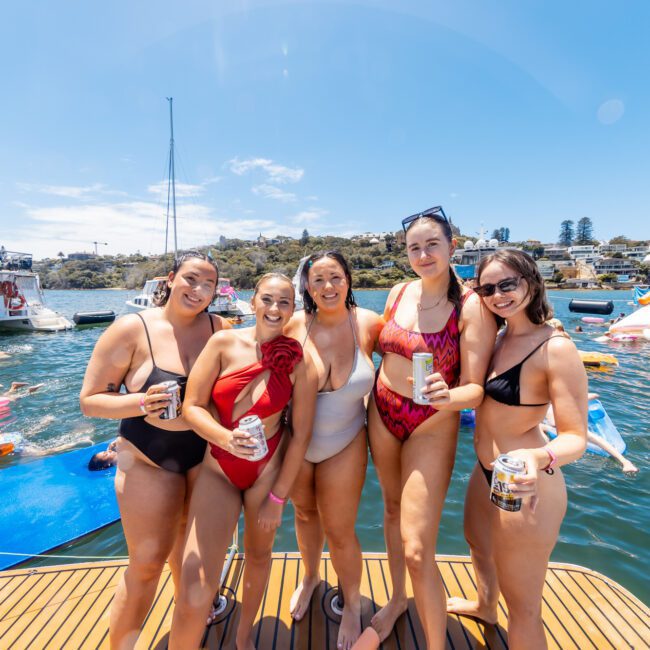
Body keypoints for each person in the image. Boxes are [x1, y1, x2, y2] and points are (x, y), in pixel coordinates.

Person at [80, 251, 228, 649]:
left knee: (190, 559)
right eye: (191, 279)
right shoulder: (131, 329)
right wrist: (140, 403)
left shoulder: (220, 328)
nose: (198, 290)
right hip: (147, 457)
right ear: (171, 277)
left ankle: (190, 620)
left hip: (205, 459)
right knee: (145, 567)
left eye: (209, 284)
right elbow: (90, 401)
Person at [367, 206, 496, 647]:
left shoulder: (471, 306)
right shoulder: (398, 292)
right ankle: (398, 599)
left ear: (451, 247)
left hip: (433, 421)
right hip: (382, 411)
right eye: (414, 248)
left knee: (419, 546)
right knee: (389, 509)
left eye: (432, 245)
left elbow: (475, 390)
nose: (423, 254)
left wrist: (448, 396)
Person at [168, 272, 317, 650]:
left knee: (259, 556)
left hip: (267, 472)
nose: (274, 308)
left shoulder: (300, 362)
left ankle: (244, 635)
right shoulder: (222, 343)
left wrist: (279, 497)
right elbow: (192, 406)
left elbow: (300, 434)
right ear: (252, 302)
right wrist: (224, 439)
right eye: (267, 299)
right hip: (218, 467)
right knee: (194, 582)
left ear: (293, 309)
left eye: (285, 302)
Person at [447, 249, 587, 650]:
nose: (498, 295)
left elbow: (575, 437)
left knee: (523, 608)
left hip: (529, 482)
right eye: (487, 287)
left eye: (508, 284)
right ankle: (484, 607)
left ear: (532, 282)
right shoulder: (498, 337)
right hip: (487, 469)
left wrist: (537, 456)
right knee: (477, 543)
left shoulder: (554, 348)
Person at [284, 251, 383, 650]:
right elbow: (242, 347)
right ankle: (310, 576)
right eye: (319, 279)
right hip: (295, 443)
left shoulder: (369, 324)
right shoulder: (292, 326)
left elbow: (422, 342)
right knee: (305, 513)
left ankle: (353, 602)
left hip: (346, 441)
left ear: (348, 279)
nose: (328, 287)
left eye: (336, 277)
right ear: (306, 286)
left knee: (341, 531)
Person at [544, 396, 638, 475]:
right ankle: (625, 462)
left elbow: (591, 396)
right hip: (563, 426)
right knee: (595, 439)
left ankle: (625, 462)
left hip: (568, 427)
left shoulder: (555, 404)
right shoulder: (556, 403)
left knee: (596, 439)